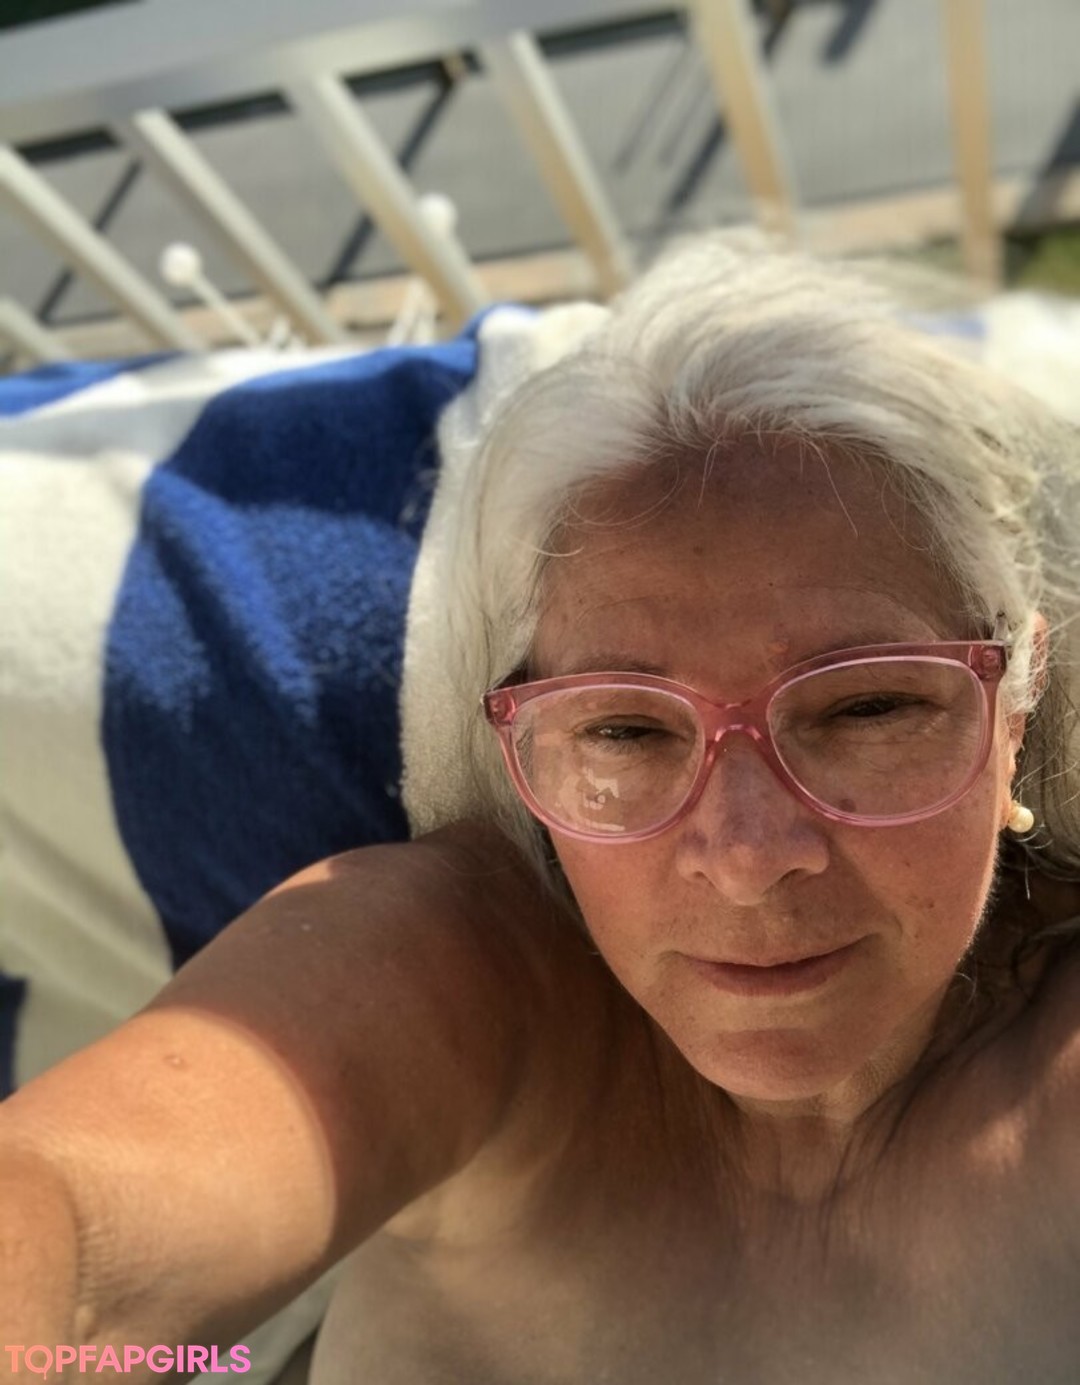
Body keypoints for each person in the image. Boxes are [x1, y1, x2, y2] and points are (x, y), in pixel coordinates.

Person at [2, 238, 1080, 1384]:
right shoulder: (456, 976)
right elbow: (72, 1239)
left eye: (868, 706)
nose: (749, 855)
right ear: (516, 737)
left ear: (1017, 702)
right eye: (625, 730)